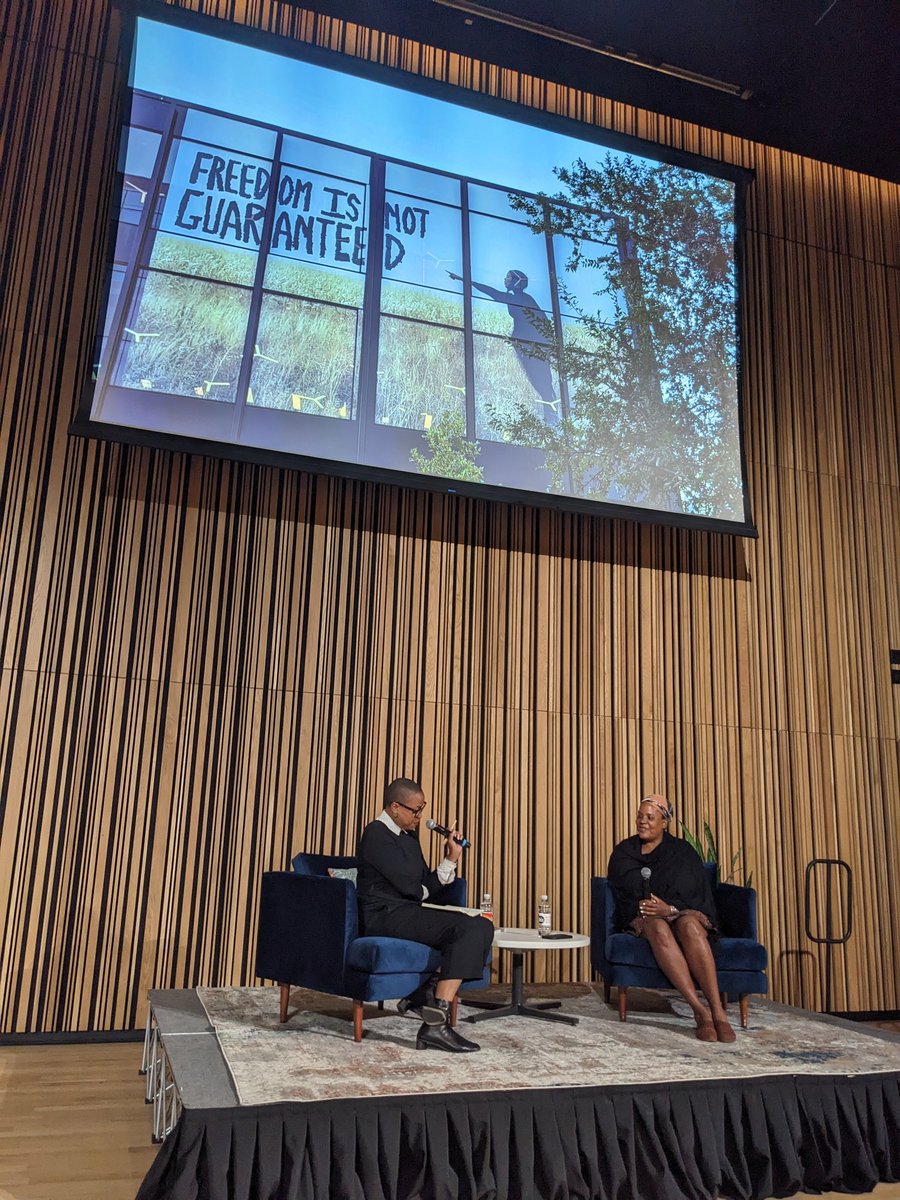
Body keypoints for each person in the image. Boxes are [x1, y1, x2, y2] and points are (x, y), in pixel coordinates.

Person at [356, 777, 494, 1053]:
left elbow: (424, 887)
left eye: (422, 810)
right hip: (384, 916)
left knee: (482, 925)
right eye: (415, 810)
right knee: (469, 929)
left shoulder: (408, 837)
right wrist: (432, 880)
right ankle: (435, 1023)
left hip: (407, 911)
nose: (421, 817)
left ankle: (422, 995)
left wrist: (451, 858)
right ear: (395, 807)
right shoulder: (376, 834)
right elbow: (414, 889)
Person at [606, 795, 736, 1042]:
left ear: (665, 822)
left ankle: (718, 1010)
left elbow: (692, 891)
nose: (642, 822)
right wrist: (653, 909)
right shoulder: (625, 851)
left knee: (691, 927)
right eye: (640, 816)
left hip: (678, 911)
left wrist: (671, 909)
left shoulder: (682, 852)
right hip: (644, 917)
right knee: (658, 928)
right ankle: (700, 1011)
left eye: (650, 817)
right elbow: (624, 889)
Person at [447, 268, 559, 423]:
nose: (505, 280)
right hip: (529, 345)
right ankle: (551, 415)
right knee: (540, 381)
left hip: (533, 346)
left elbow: (494, 293)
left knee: (541, 381)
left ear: (516, 282)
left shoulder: (523, 299)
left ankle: (552, 416)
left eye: (508, 278)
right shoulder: (519, 298)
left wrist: (465, 280)